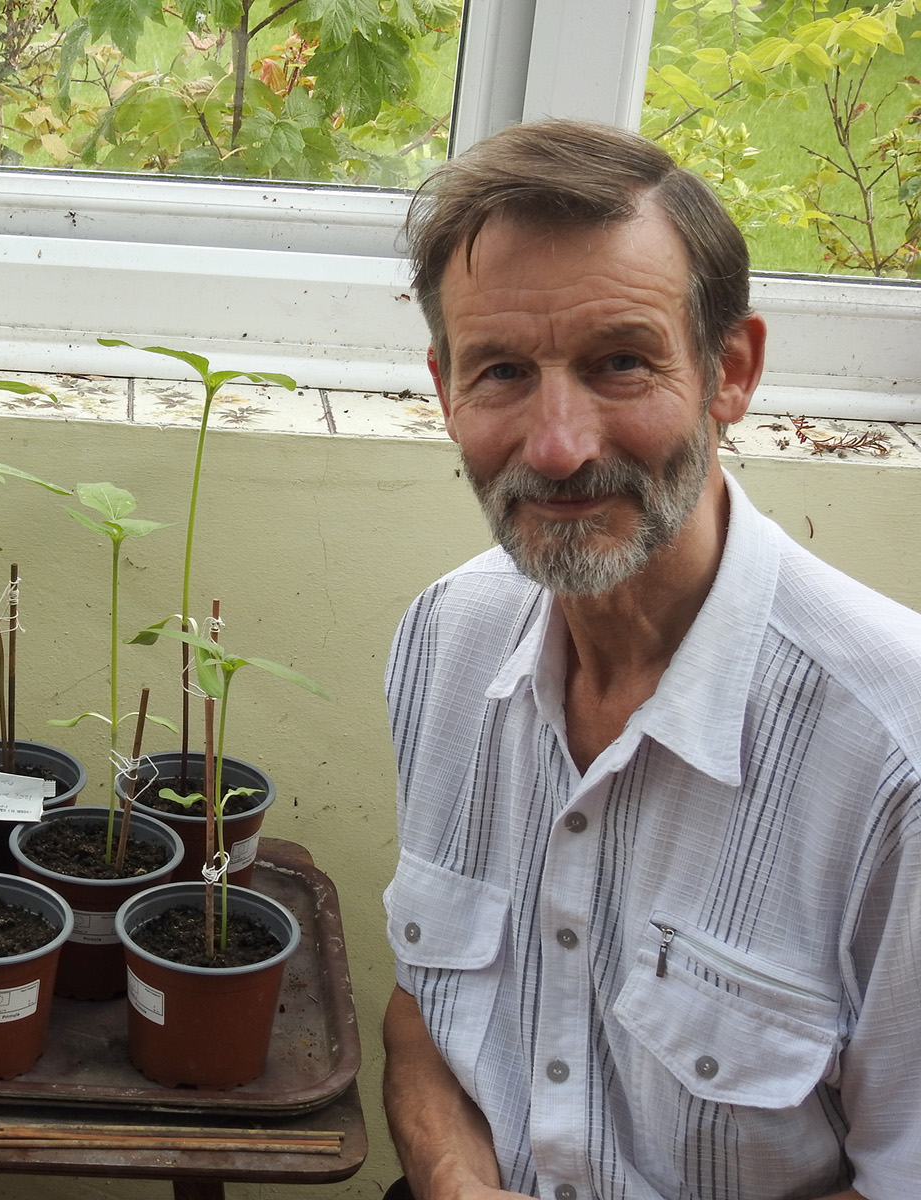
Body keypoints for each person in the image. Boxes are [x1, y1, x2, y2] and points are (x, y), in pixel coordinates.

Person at [379, 118, 921, 1200]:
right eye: (500, 373)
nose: (557, 445)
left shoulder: (893, 755)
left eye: (618, 362)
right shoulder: (443, 640)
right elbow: (423, 1014)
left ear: (730, 370)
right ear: (445, 389)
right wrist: (451, 1181)